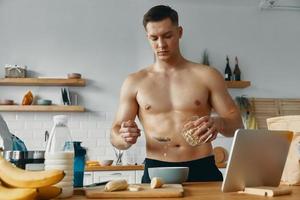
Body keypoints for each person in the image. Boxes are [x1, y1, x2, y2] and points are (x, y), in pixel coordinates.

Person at [111, 5, 243, 183]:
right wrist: (124, 138)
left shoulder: (207, 76)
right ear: (147, 37)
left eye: (167, 36)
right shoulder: (134, 82)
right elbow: (115, 133)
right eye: (154, 38)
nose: (161, 45)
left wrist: (218, 123)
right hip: (157, 170)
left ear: (179, 32)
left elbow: (237, 125)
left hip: (203, 167)